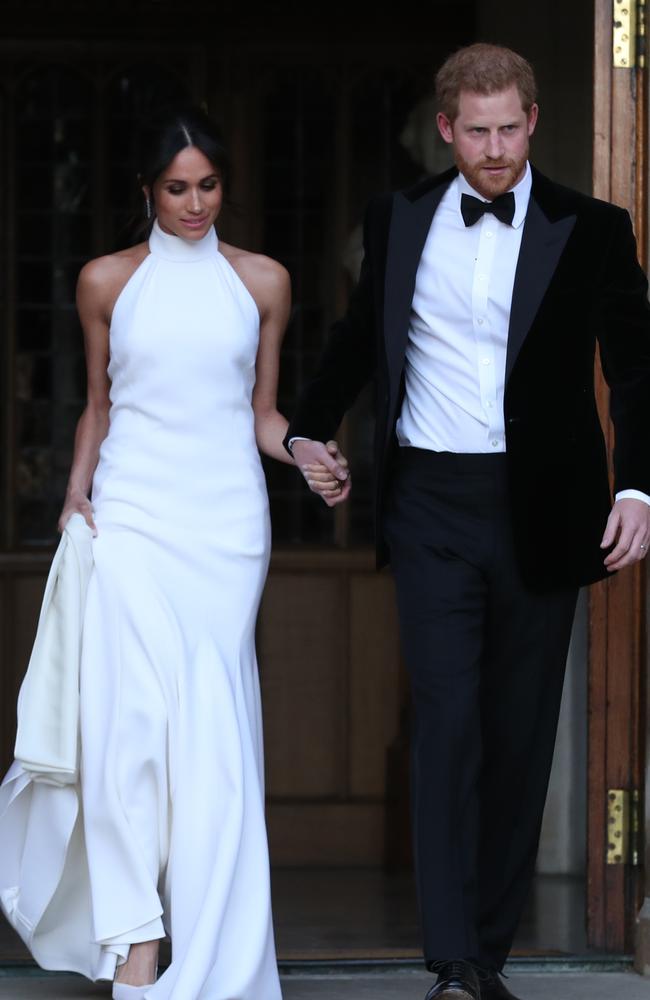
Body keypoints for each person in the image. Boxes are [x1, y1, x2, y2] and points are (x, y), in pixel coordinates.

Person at [285, 43, 650, 1000]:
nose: (494, 149)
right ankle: (451, 961)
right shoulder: (398, 218)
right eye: (475, 131)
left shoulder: (595, 228)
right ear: (446, 130)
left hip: (545, 508)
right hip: (433, 502)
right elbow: (360, 338)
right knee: (447, 723)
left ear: (535, 122)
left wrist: (638, 489)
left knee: (520, 732)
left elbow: (638, 368)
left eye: (509, 129)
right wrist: (303, 434)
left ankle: (484, 954)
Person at [0, 105, 338, 999]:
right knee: (127, 733)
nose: (195, 203)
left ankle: (217, 958)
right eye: (177, 188)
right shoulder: (106, 281)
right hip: (133, 516)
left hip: (226, 528)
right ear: (148, 191)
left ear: (225, 186)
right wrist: (77, 489)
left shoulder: (262, 281)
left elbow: (261, 414)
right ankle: (135, 940)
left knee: (215, 740)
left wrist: (304, 452)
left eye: (209, 185)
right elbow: (100, 407)